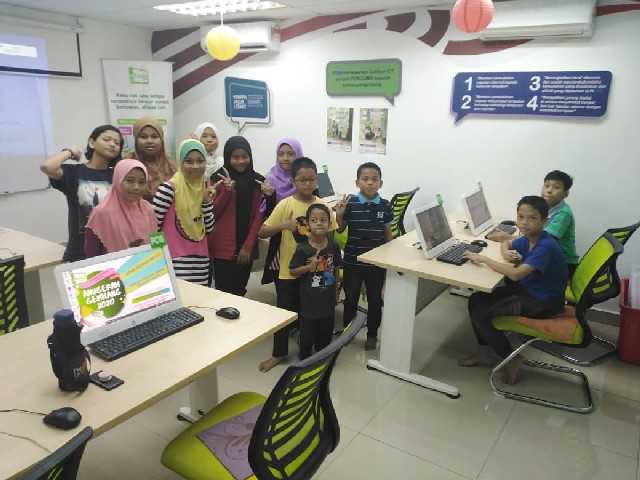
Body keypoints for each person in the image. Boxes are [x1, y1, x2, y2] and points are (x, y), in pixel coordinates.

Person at [459, 195, 568, 385]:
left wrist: (484, 259)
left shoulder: (545, 245)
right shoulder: (529, 238)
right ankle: (484, 352)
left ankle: (511, 359)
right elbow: (506, 241)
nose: (524, 223)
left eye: (532, 218)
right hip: (530, 291)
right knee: (475, 299)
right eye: (520, 217)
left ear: (544, 221)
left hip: (543, 303)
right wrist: (505, 252)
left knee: (480, 312)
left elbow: (516, 275)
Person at [258, 157, 338, 372]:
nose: (308, 184)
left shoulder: (322, 206)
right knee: (284, 313)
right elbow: (262, 232)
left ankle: (313, 351)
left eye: (311, 179)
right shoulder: (286, 204)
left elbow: (331, 237)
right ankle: (278, 353)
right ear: (293, 181)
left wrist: (331, 276)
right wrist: (284, 225)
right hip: (289, 270)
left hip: (317, 271)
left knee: (312, 313)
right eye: (302, 180)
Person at [40, 125, 124, 261]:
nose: (112, 144)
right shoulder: (74, 172)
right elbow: (48, 166)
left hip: (113, 248)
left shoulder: (118, 175)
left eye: (117, 143)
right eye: (106, 139)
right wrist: (70, 151)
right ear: (92, 143)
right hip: (81, 250)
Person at [335, 162, 393, 350]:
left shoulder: (385, 205)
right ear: (357, 182)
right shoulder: (351, 204)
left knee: (375, 300)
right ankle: (347, 332)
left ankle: (372, 334)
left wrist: (388, 257)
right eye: (365, 179)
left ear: (381, 183)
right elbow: (340, 229)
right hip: (353, 261)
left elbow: (388, 233)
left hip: (375, 264)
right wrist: (339, 215)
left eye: (374, 179)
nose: (370, 183)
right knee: (350, 299)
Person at [487, 170, 579, 279]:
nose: (549, 190)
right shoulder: (545, 207)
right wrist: (505, 248)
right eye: (546, 185)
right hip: (546, 258)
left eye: (556, 187)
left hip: (563, 264)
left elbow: (541, 241)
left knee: (509, 275)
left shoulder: (563, 214)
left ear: (565, 194)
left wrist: (508, 237)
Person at [153, 139, 217, 285]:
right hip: (172, 261)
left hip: (200, 261)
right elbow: (153, 228)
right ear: (181, 163)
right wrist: (159, 259)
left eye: (200, 161)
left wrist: (206, 203)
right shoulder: (168, 189)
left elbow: (209, 229)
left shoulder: (204, 190)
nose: (195, 166)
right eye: (189, 161)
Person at [208, 136, 264, 296]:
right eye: (235, 157)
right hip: (222, 249)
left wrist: (248, 246)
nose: (241, 161)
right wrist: (226, 192)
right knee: (223, 293)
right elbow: (212, 213)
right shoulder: (217, 179)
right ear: (228, 157)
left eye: (245, 156)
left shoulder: (258, 181)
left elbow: (258, 217)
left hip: (246, 248)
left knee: (240, 291)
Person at [289, 204, 342, 360]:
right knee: (307, 337)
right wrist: (309, 267)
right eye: (314, 220)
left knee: (325, 336)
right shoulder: (303, 249)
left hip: (327, 301)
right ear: (308, 225)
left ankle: (321, 359)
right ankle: (305, 360)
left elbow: (335, 269)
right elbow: (293, 271)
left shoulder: (334, 246)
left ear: (329, 224)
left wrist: (336, 292)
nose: (319, 223)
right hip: (308, 303)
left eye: (323, 220)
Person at [84, 159, 157, 257]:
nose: (136, 187)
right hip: (113, 266)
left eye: (141, 182)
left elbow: (158, 244)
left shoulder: (149, 210)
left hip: (148, 264)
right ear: (118, 180)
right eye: (129, 181)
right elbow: (91, 252)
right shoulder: (101, 213)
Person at [259, 138, 304, 285]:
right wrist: (269, 196)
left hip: (302, 237)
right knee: (283, 281)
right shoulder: (270, 178)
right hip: (279, 237)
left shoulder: (305, 179)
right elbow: (268, 215)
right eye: (281, 154)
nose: (285, 158)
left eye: (290, 154)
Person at [130, 117, 177, 202]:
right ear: (136, 140)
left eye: (154, 137)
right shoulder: (127, 165)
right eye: (143, 137)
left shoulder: (172, 167)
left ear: (161, 140)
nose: (149, 141)